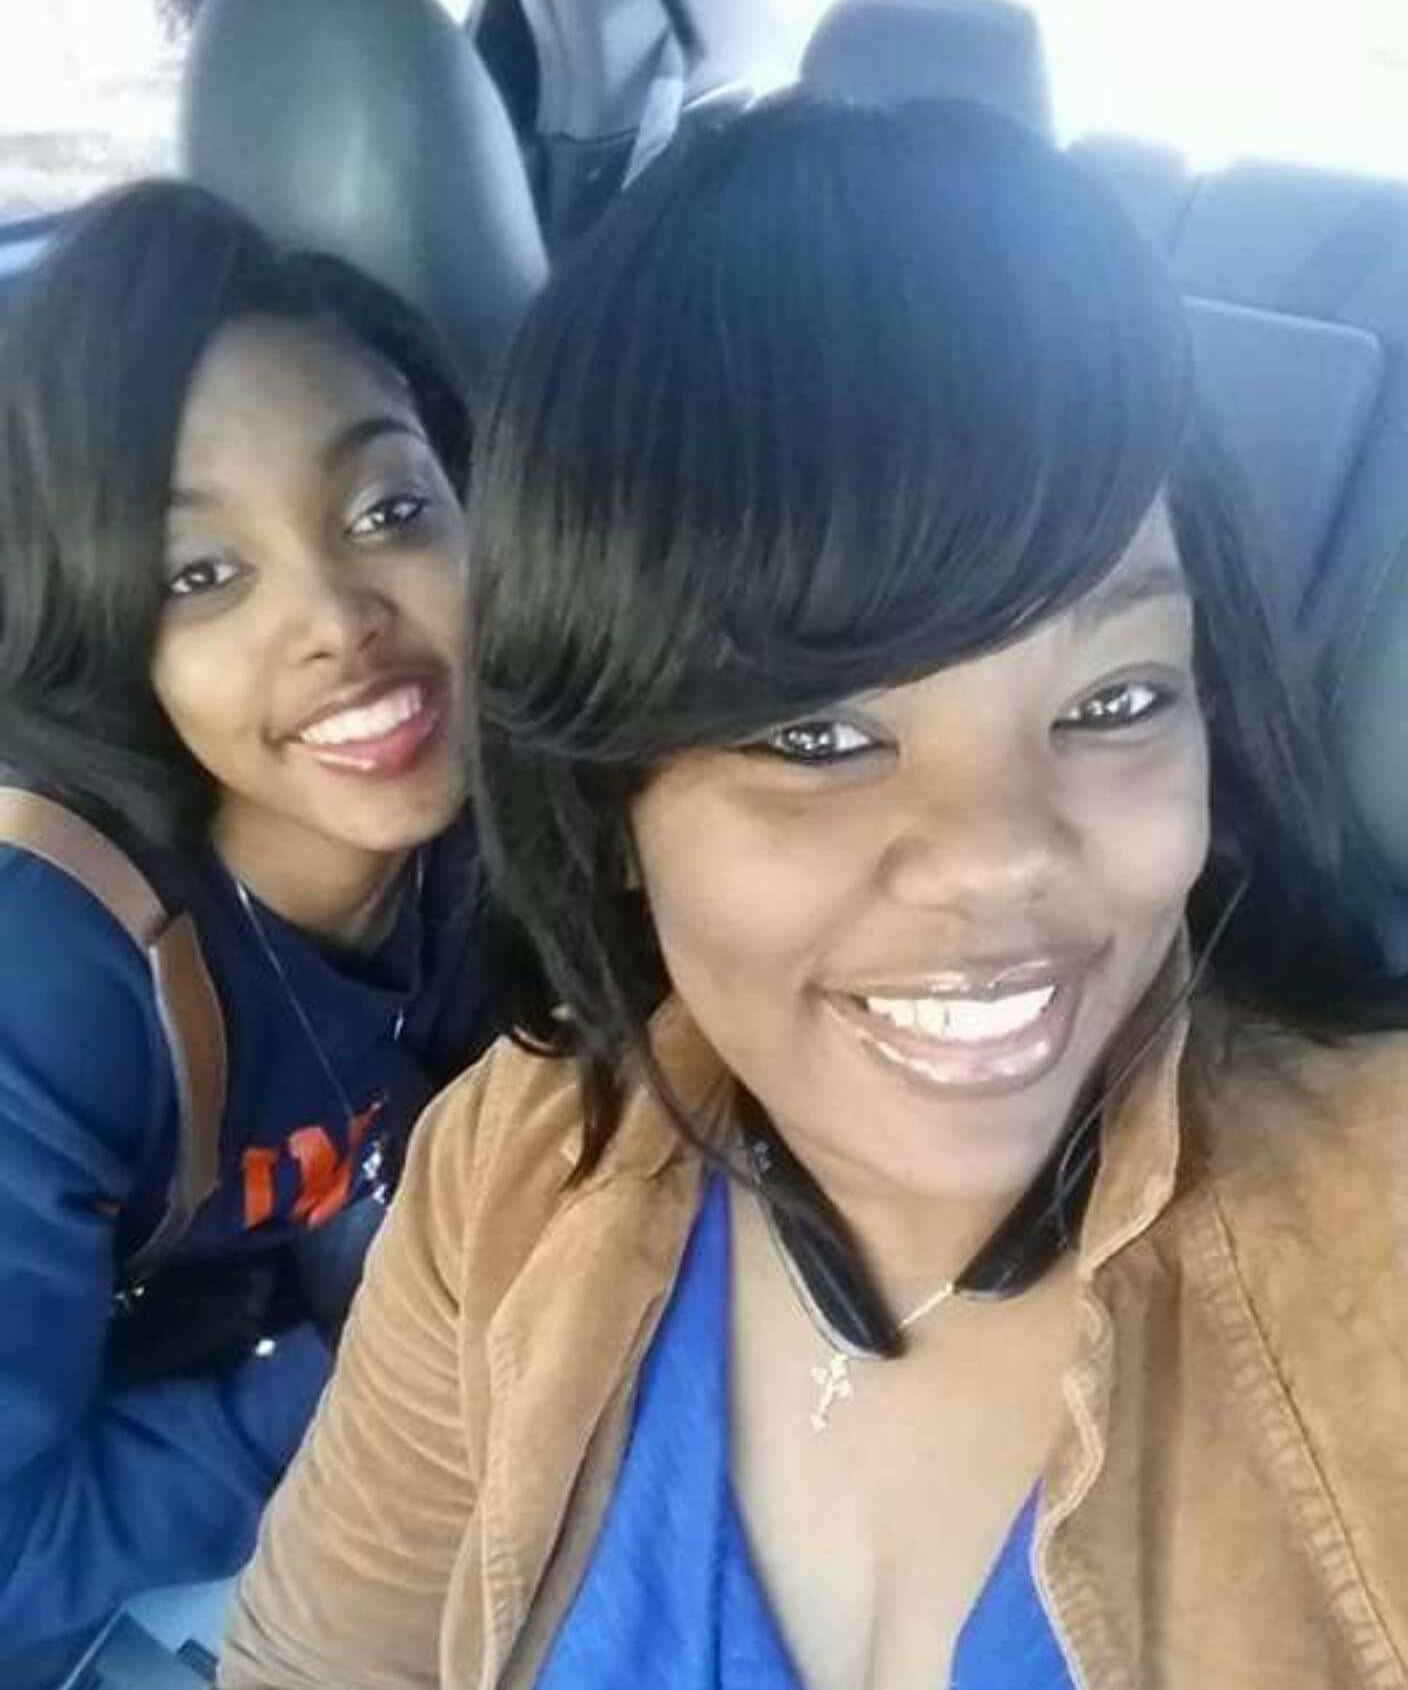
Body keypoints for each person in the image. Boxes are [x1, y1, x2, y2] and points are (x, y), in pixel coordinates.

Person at [219, 97, 1408, 1690]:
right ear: (607, 797)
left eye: (1117, 701)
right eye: (819, 734)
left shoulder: (1377, 1234)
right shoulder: (514, 1168)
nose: (998, 853)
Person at [0, 180, 504, 1682]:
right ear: (106, 626)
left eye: (390, 511)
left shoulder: (511, 826)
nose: (340, 618)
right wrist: (380, 1369)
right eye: (202, 576)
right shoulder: (51, 979)